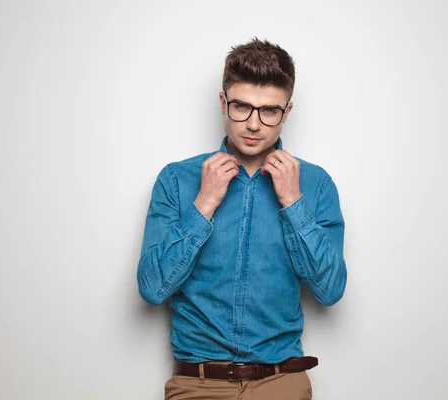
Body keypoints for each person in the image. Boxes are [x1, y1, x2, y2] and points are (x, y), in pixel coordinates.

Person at [137, 38, 347, 400]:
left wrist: (293, 203)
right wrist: (203, 205)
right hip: (197, 384)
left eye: (269, 111)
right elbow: (152, 288)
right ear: (223, 103)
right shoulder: (177, 180)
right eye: (241, 107)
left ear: (287, 111)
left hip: (282, 383)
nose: (253, 124)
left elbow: (330, 291)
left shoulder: (316, 185)